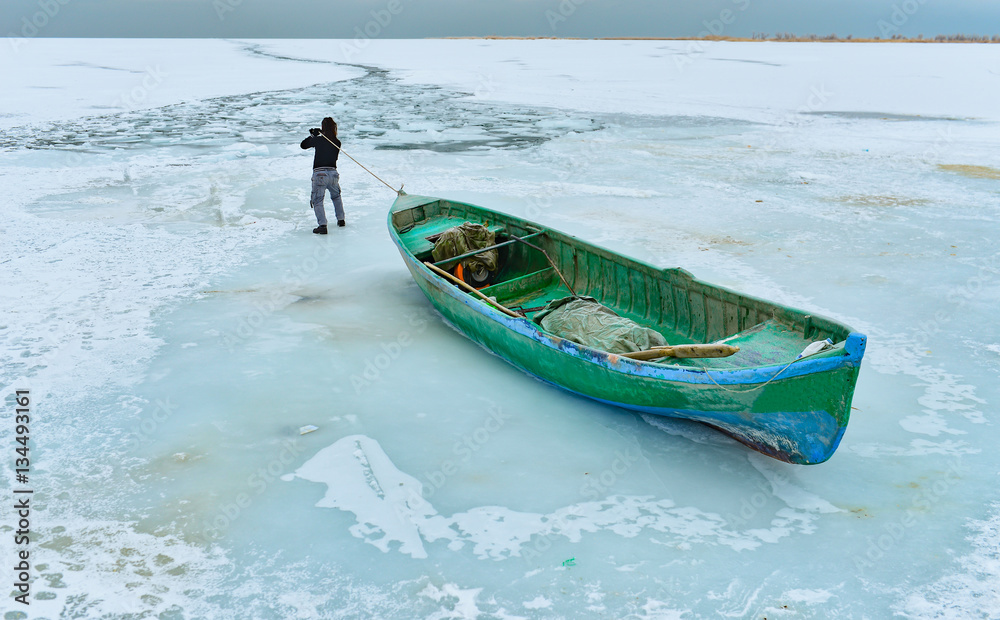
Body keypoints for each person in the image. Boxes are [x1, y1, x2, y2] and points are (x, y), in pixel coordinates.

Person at [300, 117, 345, 234]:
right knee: (336, 196)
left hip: (320, 174)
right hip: (333, 174)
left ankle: (323, 225)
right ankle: (341, 220)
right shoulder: (337, 142)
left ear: (323, 128)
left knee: (318, 200)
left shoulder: (319, 140)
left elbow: (303, 145)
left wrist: (313, 136)